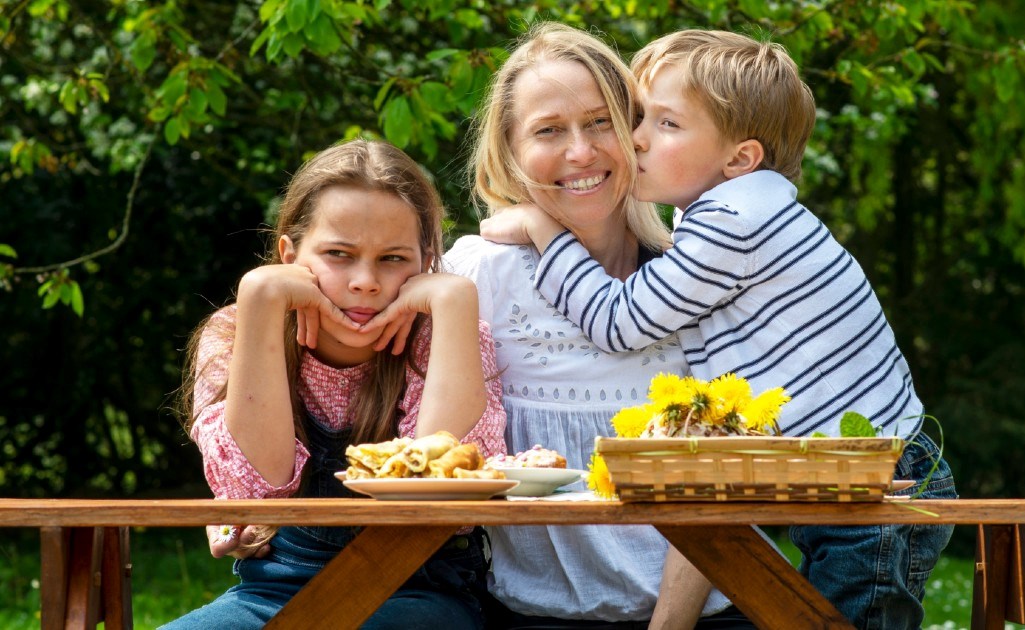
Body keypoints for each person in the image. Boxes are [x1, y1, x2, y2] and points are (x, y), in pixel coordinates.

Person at [480, 30, 957, 628]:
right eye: (640, 117)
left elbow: (619, 322)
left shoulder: (733, 220)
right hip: (855, 468)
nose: (636, 138)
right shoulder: (740, 211)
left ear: (738, 158)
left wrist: (546, 233)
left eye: (665, 123)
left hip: (876, 479)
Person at [443, 23, 753, 628]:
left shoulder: (694, 278)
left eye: (601, 121)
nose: (580, 152)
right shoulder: (476, 277)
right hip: (531, 614)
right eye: (549, 131)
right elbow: (345, 333)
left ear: (637, 135)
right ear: (508, 153)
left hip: (706, 609)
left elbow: (726, 476)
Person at [166, 138, 507, 630]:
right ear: (289, 254)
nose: (365, 281)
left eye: (393, 258)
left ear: (426, 260)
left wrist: (455, 302)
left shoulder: (446, 335)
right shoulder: (235, 332)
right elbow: (252, 493)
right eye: (338, 254)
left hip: (419, 594)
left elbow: (439, 496)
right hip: (271, 593)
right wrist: (260, 297)